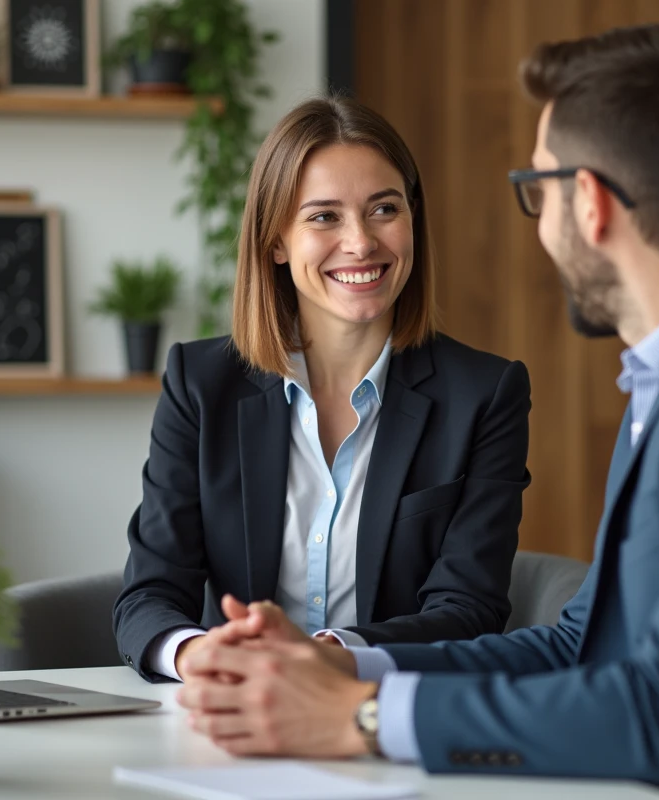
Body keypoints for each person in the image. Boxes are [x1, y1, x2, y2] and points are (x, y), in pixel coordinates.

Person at [175, 24, 659, 799]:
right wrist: (345, 664)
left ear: (588, 203)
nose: (542, 223)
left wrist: (360, 716)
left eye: (539, 189)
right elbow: (578, 643)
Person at [112, 97, 532, 684]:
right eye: (324, 216)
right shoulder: (199, 384)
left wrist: (327, 652)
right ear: (276, 240)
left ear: (413, 220)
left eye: (384, 209)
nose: (360, 243)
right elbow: (150, 595)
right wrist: (196, 653)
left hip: (384, 713)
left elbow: (469, 610)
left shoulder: (485, 394)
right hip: (227, 710)